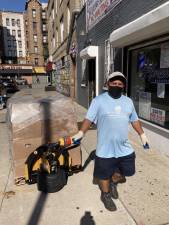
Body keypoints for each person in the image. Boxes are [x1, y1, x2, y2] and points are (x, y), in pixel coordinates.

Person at [72, 71, 149, 212]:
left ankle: (114, 183)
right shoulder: (98, 100)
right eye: (114, 83)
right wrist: (81, 133)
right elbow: (89, 119)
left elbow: (135, 120)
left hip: (124, 148)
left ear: (123, 86)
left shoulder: (128, 101)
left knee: (123, 172)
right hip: (104, 149)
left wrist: (142, 135)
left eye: (120, 83)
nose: (117, 85)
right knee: (103, 175)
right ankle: (105, 195)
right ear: (108, 84)